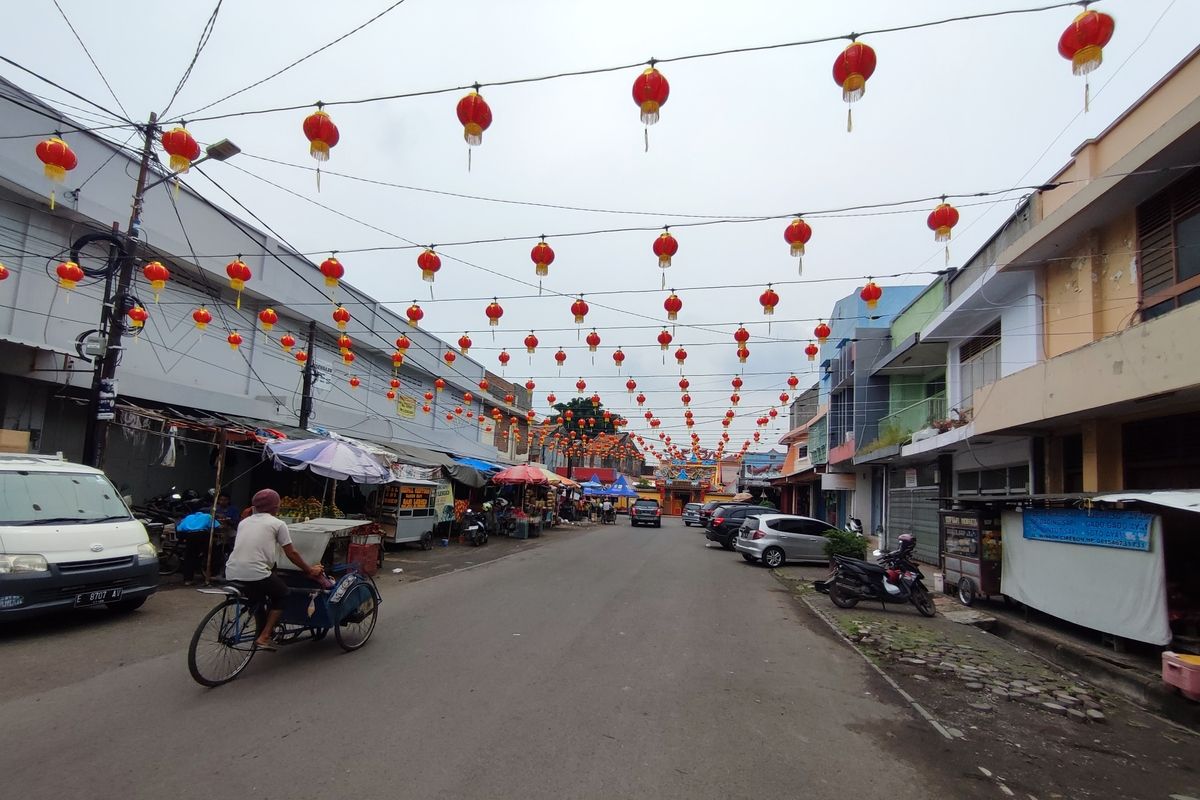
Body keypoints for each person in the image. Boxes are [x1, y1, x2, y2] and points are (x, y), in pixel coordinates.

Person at [224, 489, 324, 651]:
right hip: (256, 573)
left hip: (232, 570)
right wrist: (309, 569)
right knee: (283, 593)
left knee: (260, 597)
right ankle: (264, 637)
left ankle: (262, 627)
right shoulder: (277, 524)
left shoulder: (244, 522)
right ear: (276, 507)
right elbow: (291, 553)